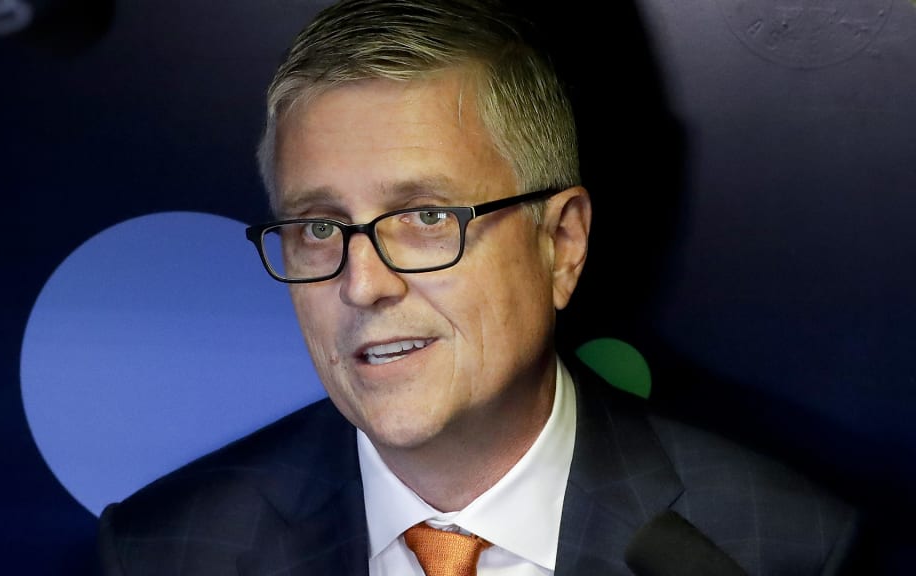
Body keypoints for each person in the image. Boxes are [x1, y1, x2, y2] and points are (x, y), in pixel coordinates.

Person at [98, 1, 858, 574]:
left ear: (561, 244)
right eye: (321, 227)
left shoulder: (774, 546)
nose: (363, 284)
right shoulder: (166, 550)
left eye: (427, 217)